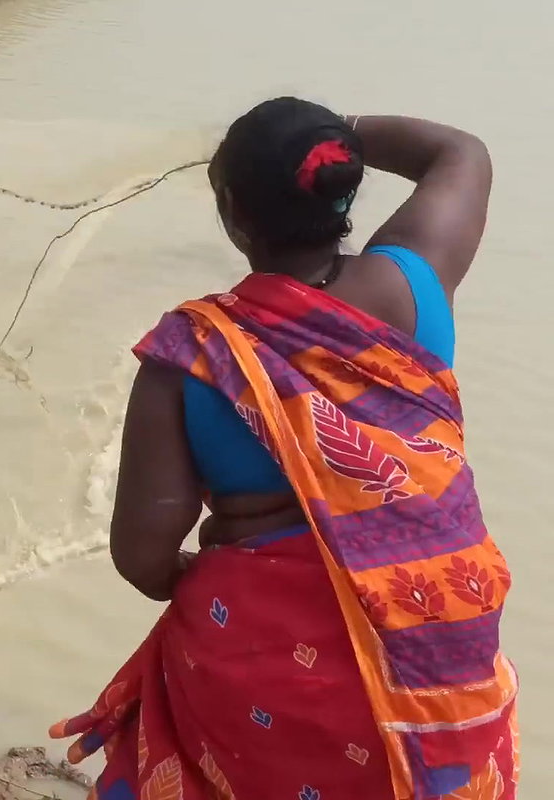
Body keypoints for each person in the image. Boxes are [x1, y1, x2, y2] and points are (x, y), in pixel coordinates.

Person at [48, 97, 518, 799]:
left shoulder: (192, 352)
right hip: (437, 650)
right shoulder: (415, 284)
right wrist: (346, 130)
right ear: (343, 186)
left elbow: (142, 557)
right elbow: (462, 154)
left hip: (260, 665)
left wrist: (228, 584)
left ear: (233, 212)